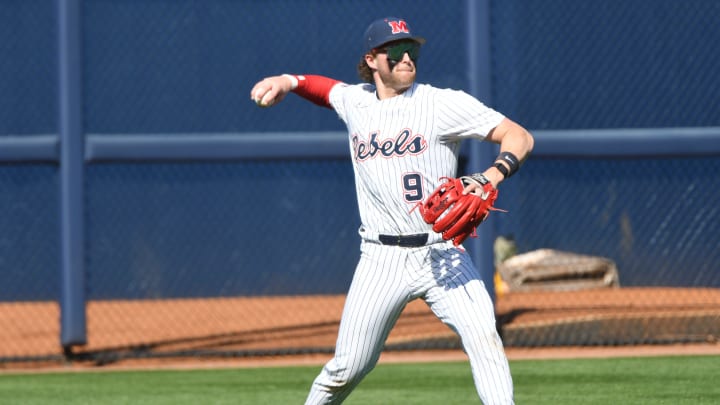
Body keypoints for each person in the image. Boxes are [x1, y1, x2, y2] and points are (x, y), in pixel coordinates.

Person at [250, 16, 533, 405]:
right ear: (372, 59)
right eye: (396, 51)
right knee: (347, 368)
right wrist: (288, 81)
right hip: (381, 258)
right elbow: (325, 89)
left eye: (412, 50)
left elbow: (519, 135)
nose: (407, 58)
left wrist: (492, 175)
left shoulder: (441, 103)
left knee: (484, 337)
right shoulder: (357, 102)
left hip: (442, 252)